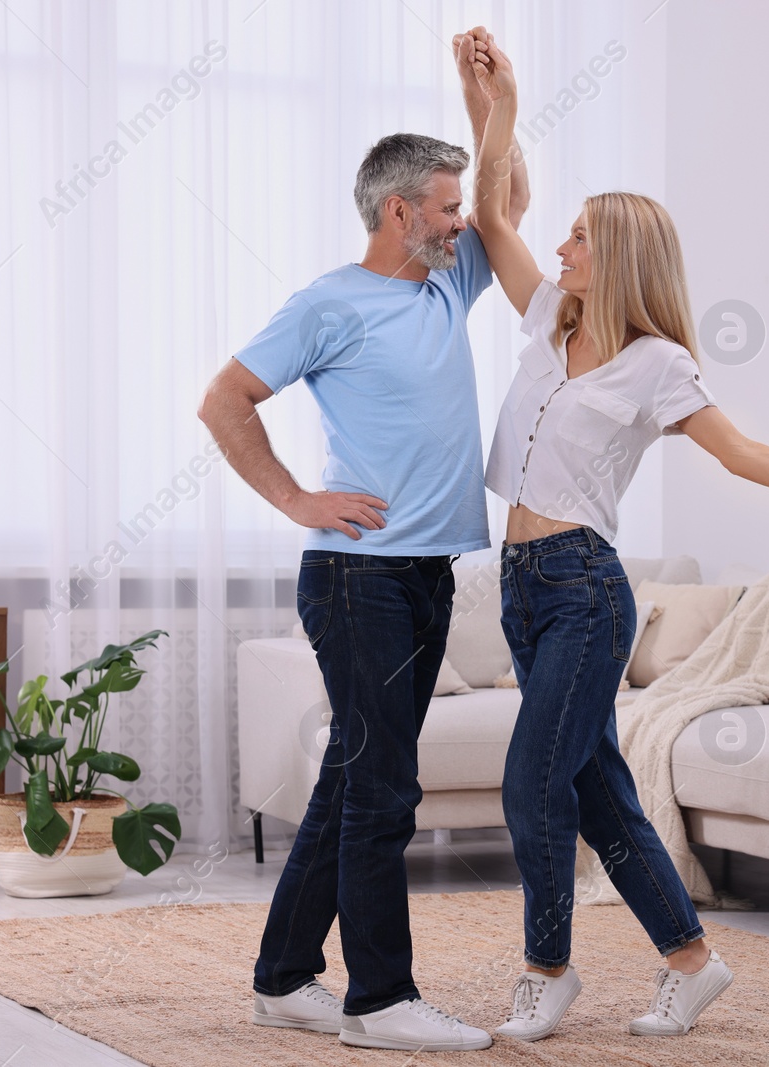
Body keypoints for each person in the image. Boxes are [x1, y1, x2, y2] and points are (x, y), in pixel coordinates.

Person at [461, 30, 769, 1042]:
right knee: (596, 791)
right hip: (521, 587)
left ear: (618, 253)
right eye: (568, 232)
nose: (561, 247)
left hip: (585, 589)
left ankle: (547, 968)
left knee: (530, 780)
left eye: (580, 236)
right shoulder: (547, 320)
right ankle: (692, 960)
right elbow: (493, 211)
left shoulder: (657, 362)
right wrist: (492, 101)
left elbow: (738, 451)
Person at [197, 32, 530, 1052]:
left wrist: (493, 102)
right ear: (399, 211)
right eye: (444, 205)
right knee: (384, 785)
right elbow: (224, 400)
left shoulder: (445, 281)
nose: (461, 221)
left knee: (355, 774)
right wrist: (298, 497)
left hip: (428, 573)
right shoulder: (327, 303)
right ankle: (379, 1000)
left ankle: (282, 975)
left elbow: (507, 200)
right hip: (356, 577)